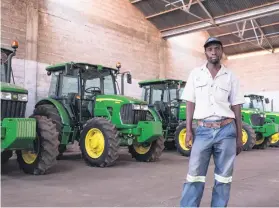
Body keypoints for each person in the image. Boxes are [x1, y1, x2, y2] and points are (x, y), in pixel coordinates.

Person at [179, 37, 244, 207]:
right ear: (205, 52)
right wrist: (188, 130)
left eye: (216, 48)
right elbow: (189, 103)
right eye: (210, 49)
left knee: (224, 177)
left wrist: (238, 135)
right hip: (202, 130)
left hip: (226, 130)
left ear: (222, 51)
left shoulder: (230, 76)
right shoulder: (195, 74)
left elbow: (237, 106)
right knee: (194, 175)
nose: (213, 52)